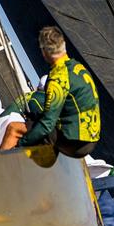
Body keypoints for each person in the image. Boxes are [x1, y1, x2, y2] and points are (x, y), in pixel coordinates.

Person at [17, 26, 100, 158]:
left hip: (74, 144)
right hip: (92, 139)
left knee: (15, 129)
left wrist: (20, 145)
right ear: (64, 45)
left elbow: (47, 125)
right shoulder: (79, 67)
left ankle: (0, 163)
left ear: (44, 52)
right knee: (37, 121)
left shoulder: (57, 78)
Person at [0, 76, 47, 152]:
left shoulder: (31, 94)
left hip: (3, 119)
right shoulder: (39, 97)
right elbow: (41, 116)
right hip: (10, 120)